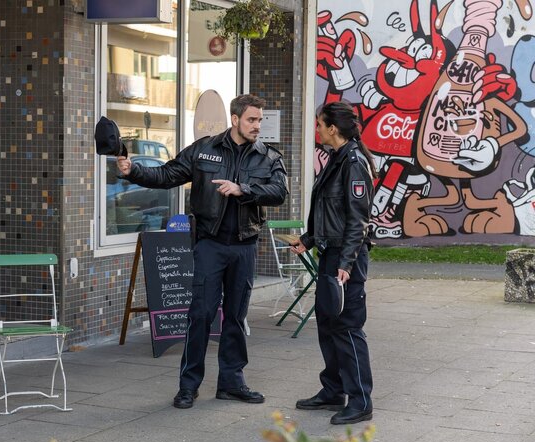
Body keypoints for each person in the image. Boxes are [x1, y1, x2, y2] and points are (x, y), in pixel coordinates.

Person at [116, 94, 287, 409]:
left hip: (245, 246)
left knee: (236, 316)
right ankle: (188, 387)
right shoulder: (204, 150)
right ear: (235, 119)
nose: (257, 126)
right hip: (210, 243)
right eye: (252, 119)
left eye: (260, 120)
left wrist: (243, 189)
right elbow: (168, 175)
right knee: (201, 315)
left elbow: (279, 192)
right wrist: (132, 171)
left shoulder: (268, 157)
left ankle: (232, 384)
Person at [290, 101, 377, 425]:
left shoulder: (353, 162)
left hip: (345, 258)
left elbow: (358, 219)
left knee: (347, 328)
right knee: (328, 324)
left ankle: (360, 401)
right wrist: (309, 239)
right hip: (331, 254)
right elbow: (330, 212)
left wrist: (348, 261)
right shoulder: (337, 159)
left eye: (319, 124)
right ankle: (333, 390)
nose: (316, 129)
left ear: (332, 128)